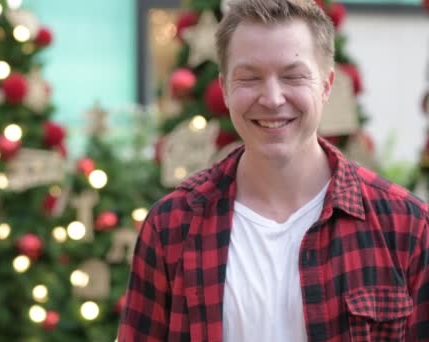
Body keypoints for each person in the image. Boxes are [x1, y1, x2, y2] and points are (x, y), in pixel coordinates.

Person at [118, 0, 429, 341]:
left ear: (326, 86)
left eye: (293, 76)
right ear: (223, 87)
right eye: (249, 78)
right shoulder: (171, 227)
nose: (272, 98)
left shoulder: (407, 227)